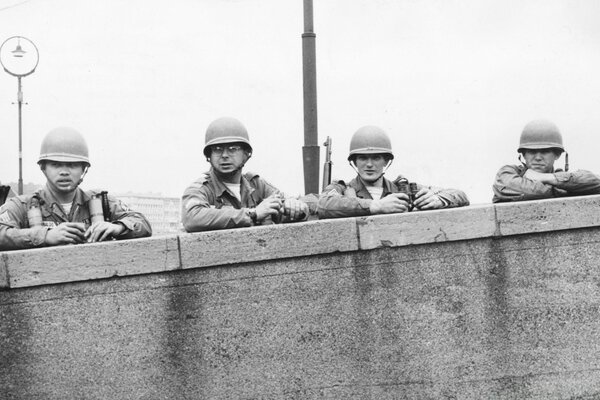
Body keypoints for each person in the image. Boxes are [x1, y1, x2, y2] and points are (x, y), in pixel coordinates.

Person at [0, 127, 152, 251]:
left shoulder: (100, 201)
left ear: (83, 169)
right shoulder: (22, 205)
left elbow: (142, 223)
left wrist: (118, 228)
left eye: (72, 165)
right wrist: (45, 236)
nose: (64, 171)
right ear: (43, 168)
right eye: (56, 164)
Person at [182, 117, 311, 232]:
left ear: (246, 154)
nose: (224, 155)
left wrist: (295, 207)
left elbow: (286, 207)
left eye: (233, 149)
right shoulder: (202, 189)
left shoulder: (256, 185)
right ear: (209, 156)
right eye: (217, 149)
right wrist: (253, 214)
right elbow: (192, 217)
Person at [318, 125, 469, 219]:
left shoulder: (402, 189)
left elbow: (460, 195)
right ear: (355, 162)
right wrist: (376, 206)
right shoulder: (342, 189)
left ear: (386, 161)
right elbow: (323, 204)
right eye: (363, 158)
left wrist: (438, 200)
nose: (369, 164)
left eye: (376, 158)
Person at [492, 119, 600, 203]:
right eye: (532, 152)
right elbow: (507, 185)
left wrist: (546, 178)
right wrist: (564, 189)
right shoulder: (510, 173)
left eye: (544, 151)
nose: (538, 157)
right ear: (523, 154)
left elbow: (596, 182)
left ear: (557, 154)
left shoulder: (561, 177)